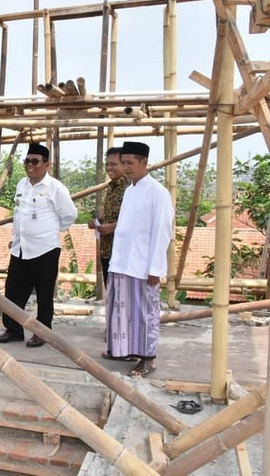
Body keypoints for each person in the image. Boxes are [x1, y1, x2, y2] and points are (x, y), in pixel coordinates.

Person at [0, 143, 77, 348]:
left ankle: (42, 332)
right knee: (13, 291)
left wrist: (48, 232)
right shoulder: (22, 185)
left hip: (45, 249)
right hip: (20, 248)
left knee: (44, 294)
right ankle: (13, 329)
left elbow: (69, 215)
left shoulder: (55, 188)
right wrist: (18, 236)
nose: (30, 165)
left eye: (35, 161)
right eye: (27, 161)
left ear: (46, 164)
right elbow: (19, 214)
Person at [105, 141, 174, 377]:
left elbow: (162, 232)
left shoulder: (158, 193)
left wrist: (155, 268)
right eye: (123, 162)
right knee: (123, 312)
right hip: (122, 262)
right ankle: (126, 350)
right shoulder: (130, 190)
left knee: (144, 314)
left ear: (144, 162)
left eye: (130, 163)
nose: (126, 167)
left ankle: (148, 359)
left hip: (143, 265)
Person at [88, 147, 128, 287]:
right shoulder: (111, 187)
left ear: (124, 164)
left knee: (122, 294)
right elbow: (111, 216)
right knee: (111, 292)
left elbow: (135, 219)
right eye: (108, 164)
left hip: (123, 253)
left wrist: (113, 227)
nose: (109, 168)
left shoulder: (131, 187)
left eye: (114, 164)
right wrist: (97, 222)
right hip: (107, 251)